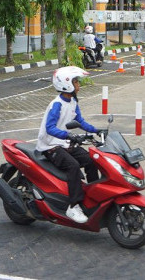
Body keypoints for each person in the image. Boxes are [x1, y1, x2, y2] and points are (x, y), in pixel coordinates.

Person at [35, 66, 101, 224]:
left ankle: (93, 195)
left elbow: (79, 121)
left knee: (92, 160)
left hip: (64, 143)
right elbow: (50, 128)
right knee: (73, 166)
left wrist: (96, 130)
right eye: (76, 82)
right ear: (66, 84)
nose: (79, 85)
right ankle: (73, 206)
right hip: (50, 146)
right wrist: (68, 135)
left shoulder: (72, 101)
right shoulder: (56, 104)